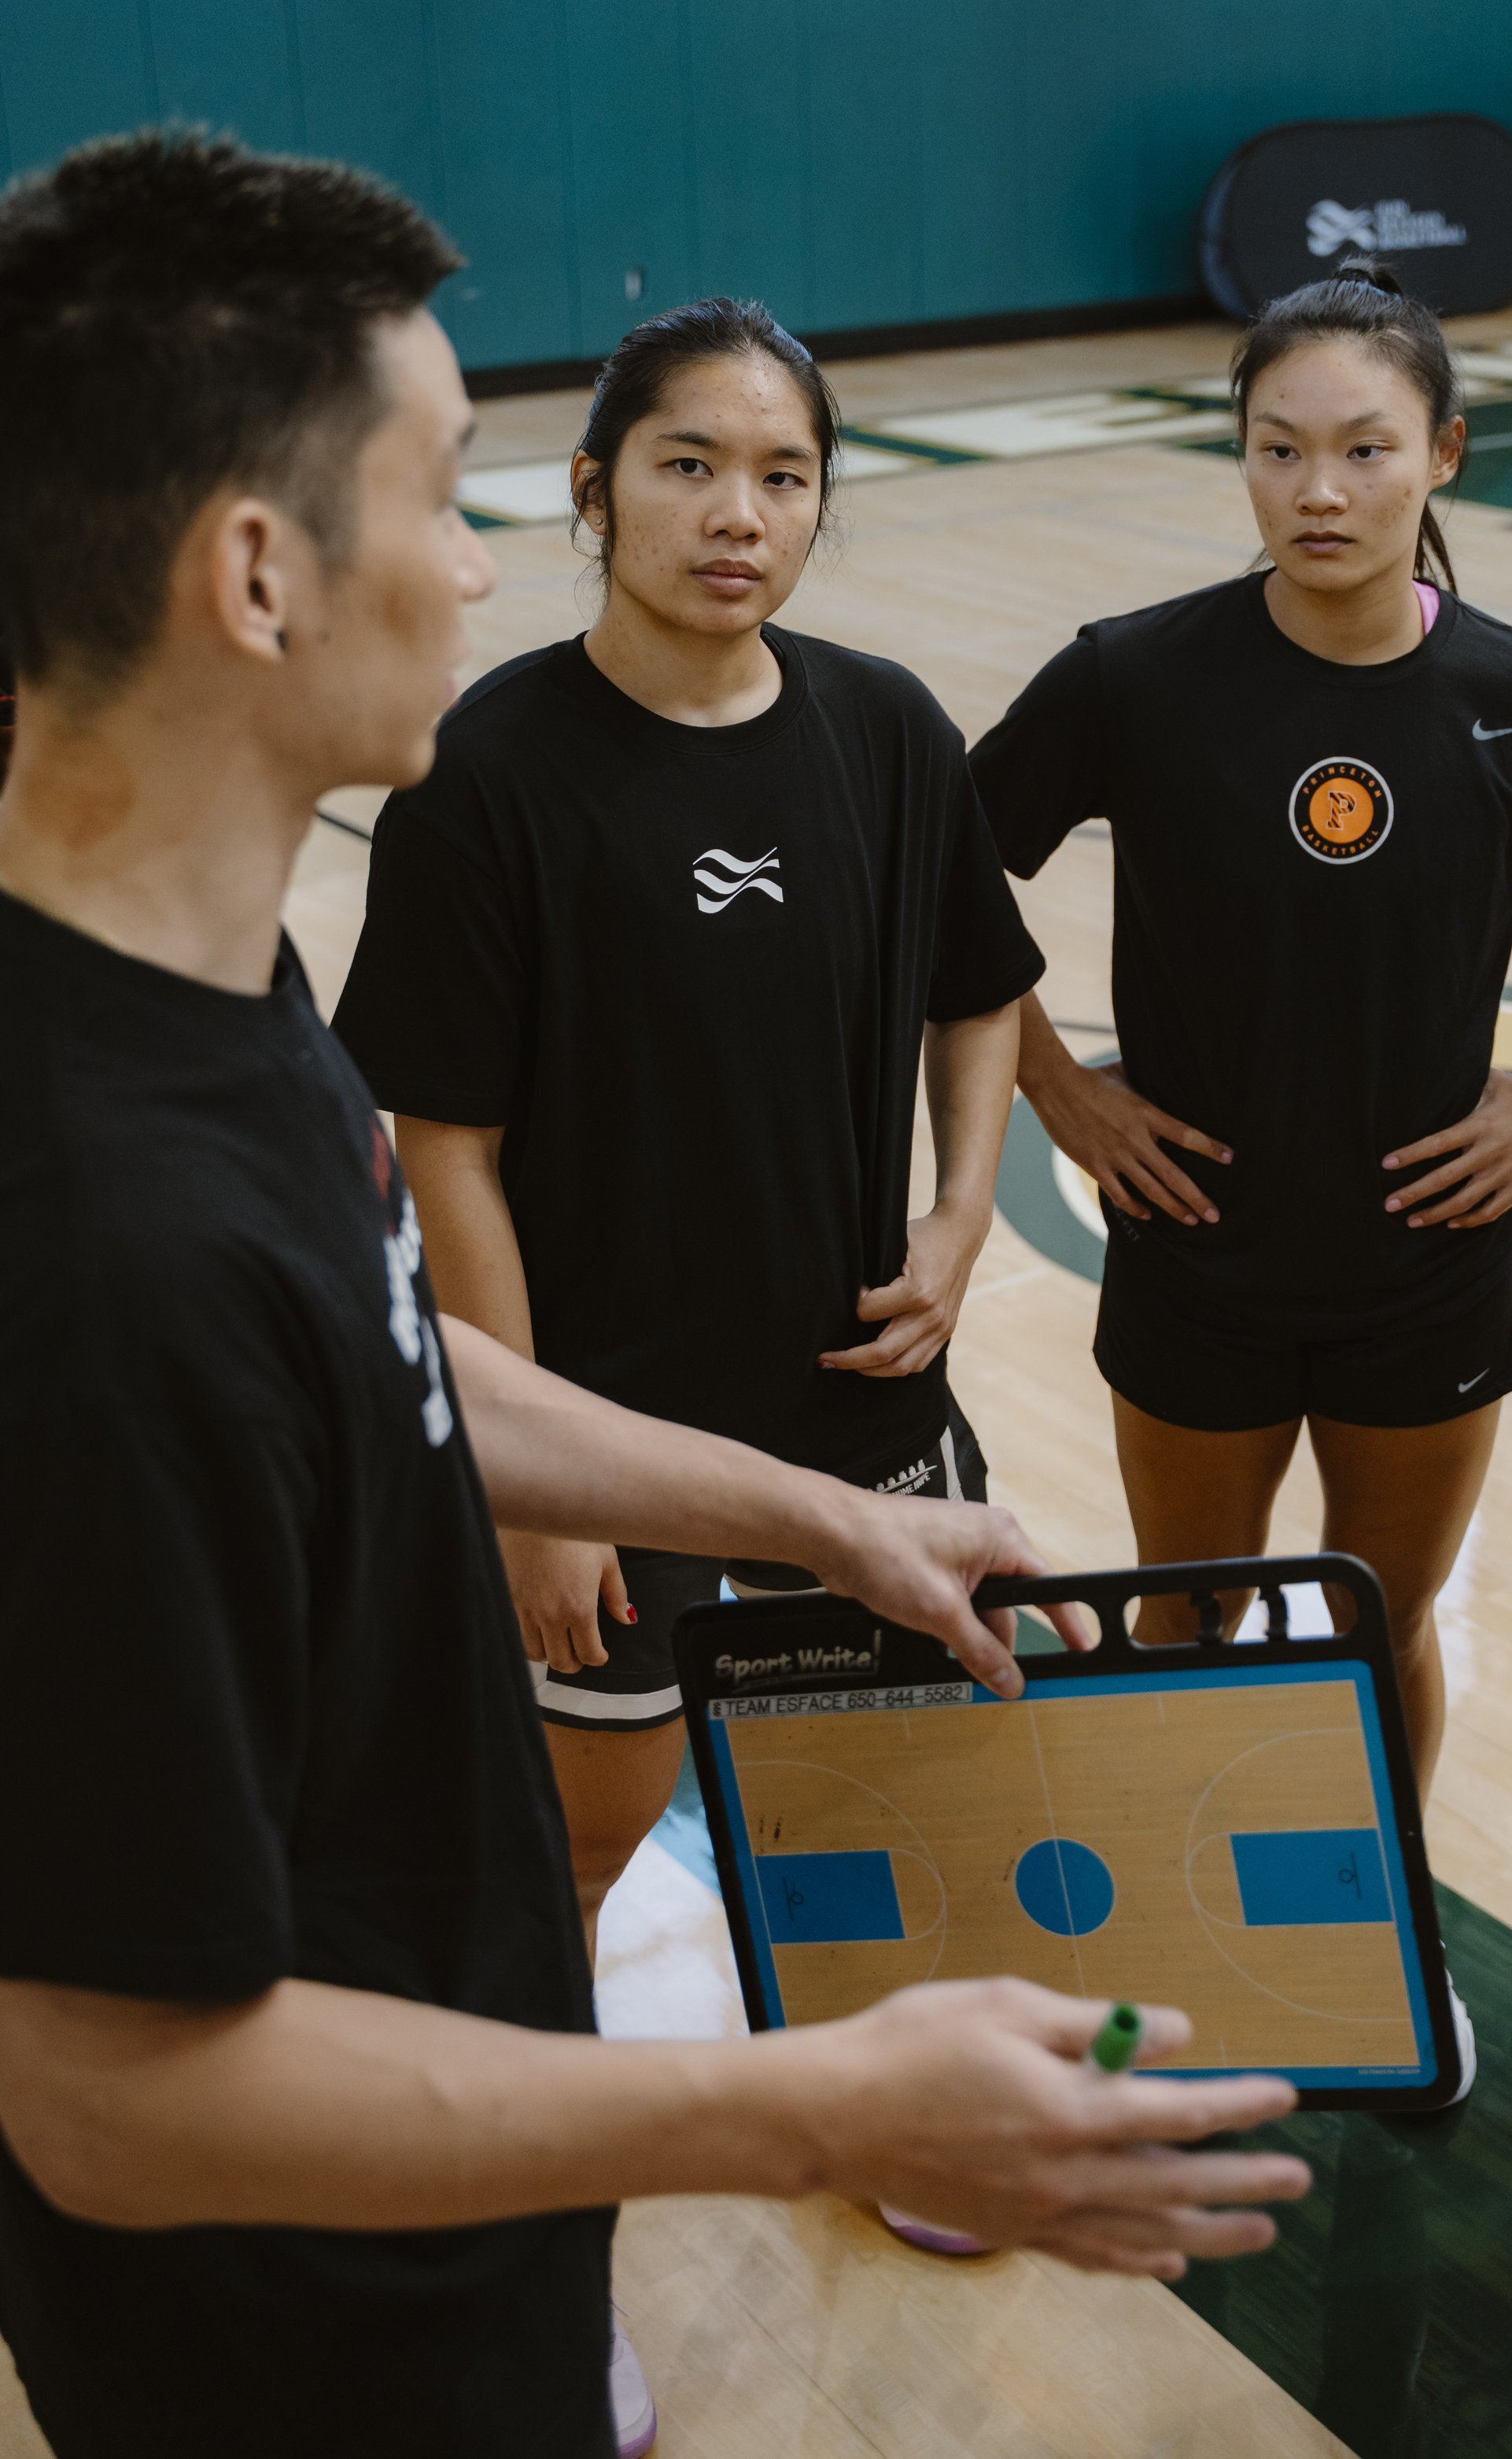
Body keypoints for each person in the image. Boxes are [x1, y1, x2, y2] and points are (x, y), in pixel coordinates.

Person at [0, 133, 1311, 2459]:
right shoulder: (93, 1246)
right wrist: (804, 2105)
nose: (481, 552)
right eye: (448, 492)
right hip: (301, 2362)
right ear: (258, 572)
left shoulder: (217, 1000)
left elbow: (395, 1366)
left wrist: (824, 1516)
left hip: (452, 2264)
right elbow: (108, 2094)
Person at [970, 260, 1512, 2097]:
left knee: (1377, 1623)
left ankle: (1381, 1933)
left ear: (1437, 451)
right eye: (1276, 448)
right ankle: (1173, 1945)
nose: (1318, 489)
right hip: (1194, 1253)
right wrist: (1061, 1095)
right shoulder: (1134, 675)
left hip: (1423, 1268)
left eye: (1364, 448)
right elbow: (940, 888)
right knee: (1187, 1620)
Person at [333, 297, 1040, 1966]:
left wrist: (959, 1218)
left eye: (784, 477)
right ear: (593, 492)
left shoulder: (883, 731)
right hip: (600, 1432)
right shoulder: (482, 775)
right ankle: (545, 2128)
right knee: (579, 1836)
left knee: (897, 1795)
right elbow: (446, 1156)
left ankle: (884, 2088)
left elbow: (980, 990)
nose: (739, 515)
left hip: (854, 1405)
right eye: (690, 466)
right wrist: (533, 1492)